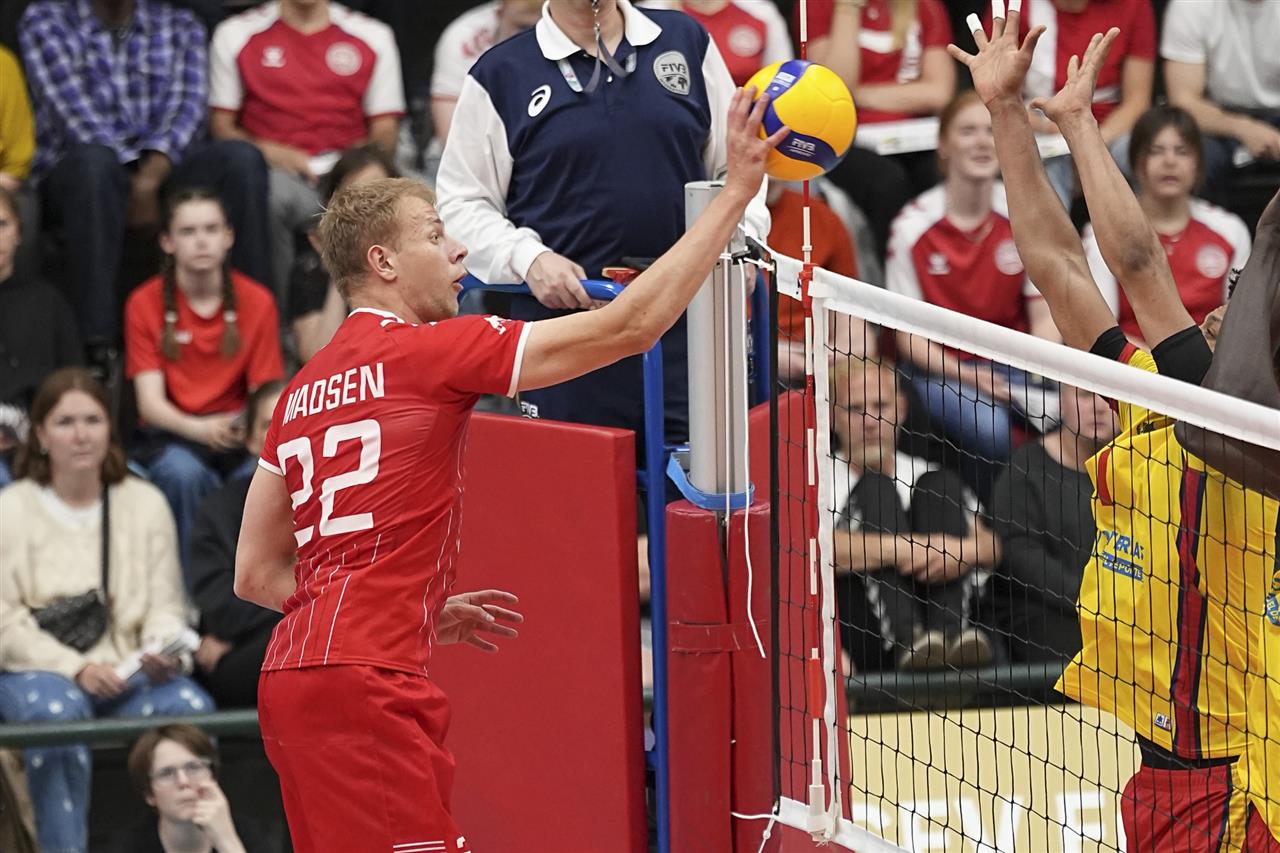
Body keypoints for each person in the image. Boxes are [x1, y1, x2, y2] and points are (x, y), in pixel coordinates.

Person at [233, 86, 783, 850]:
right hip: (369, 681)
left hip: (292, 680)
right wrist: (734, 197)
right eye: (437, 235)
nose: (459, 250)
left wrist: (402, 605)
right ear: (382, 261)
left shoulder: (299, 390)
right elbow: (630, 325)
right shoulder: (432, 350)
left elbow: (256, 573)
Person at [952, 9, 1278, 848]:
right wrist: (1006, 113)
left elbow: (1138, 264)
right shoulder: (1155, 396)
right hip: (1157, 769)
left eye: (1240, 301)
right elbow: (1060, 265)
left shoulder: (1236, 424)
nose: (1220, 305)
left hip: (1236, 785)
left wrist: (1080, 125)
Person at [435, 0, 769, 460]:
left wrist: (740, 245)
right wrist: (528, 259)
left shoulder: (685, 40)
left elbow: (739, 165)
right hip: (569, 333)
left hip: (693, 328)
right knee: (576, 493)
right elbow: (460, 204)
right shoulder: (500, 73)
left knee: (703, 493)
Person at [0, 368, 214, 853]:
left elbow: (166, 603)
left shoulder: (146, 503)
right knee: (57, 711)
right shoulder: (10, 508)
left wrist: (159, 653)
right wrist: (77, 668)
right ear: (40, 434)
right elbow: (4, 623)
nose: (81, 435)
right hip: (38, 672)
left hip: (126, 674)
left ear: (110, 430)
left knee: (190, 707)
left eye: (93, 420)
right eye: (65, 422)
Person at [18, 0, 271, 355]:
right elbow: (73, 116)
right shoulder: (46, 21)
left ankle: (257, 327)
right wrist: (133, 181)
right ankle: (97, 346)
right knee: (95, 165)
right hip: (83, 171)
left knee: (241, 160)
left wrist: (152, 177)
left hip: (163, 165)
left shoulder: (181, 24)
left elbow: (187, 109)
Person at [885, 89, 1059, 498]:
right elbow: (909, 341)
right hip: (939, 369)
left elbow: (1044, 320)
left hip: (1013, 362)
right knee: (989, 427)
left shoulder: (1023, 214)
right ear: (943, 145)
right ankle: (988, 517)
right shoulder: (912, 228)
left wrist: (1038, 371)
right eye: (967, 131)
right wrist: (971, 376)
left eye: (990, 131)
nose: (982, 142)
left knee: (1080, 414)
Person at [210, 0, 406, 303]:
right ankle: (274, 318)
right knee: (269, 196)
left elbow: (385, 130)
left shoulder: (373, 35)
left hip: (348, 171)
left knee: (426, 197)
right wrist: (273, 154)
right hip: (280, 172)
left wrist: (355, 166)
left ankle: (417, 321)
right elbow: (222, 127)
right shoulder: (235, 34)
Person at [125, 187, 284, 544]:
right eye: (188, 231)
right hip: (173, 434)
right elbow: (149, 403)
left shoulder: (258, 300)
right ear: (167, 242)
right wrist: (199, 429)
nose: (201, 241)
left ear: (228, 237)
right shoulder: (143, 302)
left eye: (211, 229)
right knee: (183, 474)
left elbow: (264, 395)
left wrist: (238, 428)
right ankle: (193, 578)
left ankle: (247, 575)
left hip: (236, 431)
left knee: (261, 472)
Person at [831, 358, 1001, 672]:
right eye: (855, 409)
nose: (869, 421)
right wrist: (907, 550)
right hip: (864, 638)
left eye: (880, 406)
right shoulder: (817, 480)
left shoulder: (927, 473)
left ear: (901, 409)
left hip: (948, 636)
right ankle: (908, 642)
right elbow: (814, 551)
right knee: (875, 488)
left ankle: (948, 637)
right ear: (832, 415)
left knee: (938, 485)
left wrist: (958, 552)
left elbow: (992, 546)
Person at [1084, 105, 1251, 344]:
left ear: (1197, 163)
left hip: (1209, 360)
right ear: (1136, 161)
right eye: (1156, 151)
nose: (1169, 161)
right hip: (1129, 362)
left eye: (1182, 151)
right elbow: (1100, 332)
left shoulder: (1231, 231)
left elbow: (1240, 322)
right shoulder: (1104, 233)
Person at [805, 0, 956, 258]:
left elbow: (939, 93)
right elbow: (835, 86)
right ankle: (894, 272)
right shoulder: (818, 5)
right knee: (886, 183)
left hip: (913, 136)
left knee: (946, 170)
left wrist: (859, 93)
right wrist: (849, 7)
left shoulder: (925, 6)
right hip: (847, 137)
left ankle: (941, 268)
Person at [988, 383, 1117, 663]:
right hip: (1043, 613)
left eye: (1110, 398)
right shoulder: (1026, 468)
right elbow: (1018, 553)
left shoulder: (1140, 470)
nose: (1099, 406)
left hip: (1120, 616)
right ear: (1061, 401)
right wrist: (1090, 599)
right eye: (1085, 395)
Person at [992, 0, 1155, 207]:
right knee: (1041, 162)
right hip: (1039, 121)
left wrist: (1090, 145)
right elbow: (995, 93)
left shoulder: (1133, 5)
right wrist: (1044, 126)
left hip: (1109, 128)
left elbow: (1137, 101)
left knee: (1151, 156)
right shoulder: (1014, 5)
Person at [186, 381, 286, 709]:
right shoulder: (219, 509)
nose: (284, 433)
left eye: (293, 420)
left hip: (272, 642)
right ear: (251, 439)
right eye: (270, 424)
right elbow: (222, 610)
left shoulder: (339, 503)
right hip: (249, 658)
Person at [0, 185, 82, 487]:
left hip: (44, 438)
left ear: (19, 232)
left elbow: (75, 381)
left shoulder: (49, 301)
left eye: (2, 224)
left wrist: (39, 432)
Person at [1162, 0, 1280, 208]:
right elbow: (1183, 100)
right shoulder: (1192, 5)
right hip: (1215, 118)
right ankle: (1201, 229)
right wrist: (1244, 128)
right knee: (1192, 159)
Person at [289, 144, 400, 362]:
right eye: (356, 198)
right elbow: (317, 358)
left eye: (379, 194)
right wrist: (339, 263)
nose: (369, 208)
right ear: (333, 207)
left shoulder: (418, 253)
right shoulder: (311, 268)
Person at [110, 723, 267, 853]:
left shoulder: (246, 834)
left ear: (212, 777)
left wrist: (226, 841)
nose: (183, 781)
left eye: (193, 767)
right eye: (166, 773)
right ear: (149, 793)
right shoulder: (129, 846)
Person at [767, 179, 867, 383]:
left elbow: (849, 308)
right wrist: (765, 355)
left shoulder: (822, 217)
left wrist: (849, 348)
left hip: (818, 359)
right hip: (748, 361)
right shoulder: (715, 218)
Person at [429, 0, 544, 148]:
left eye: (542, 27)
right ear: (500, 14)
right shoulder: (465, 38)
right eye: (523, 28)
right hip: (478, 153)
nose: (533, 37)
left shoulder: (572, 32)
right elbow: (453, 140)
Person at [638, 0, 792, 86]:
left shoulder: (762, 14)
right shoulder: (648, 14)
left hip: (746, 123)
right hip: (675, 122)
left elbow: (783, 81)